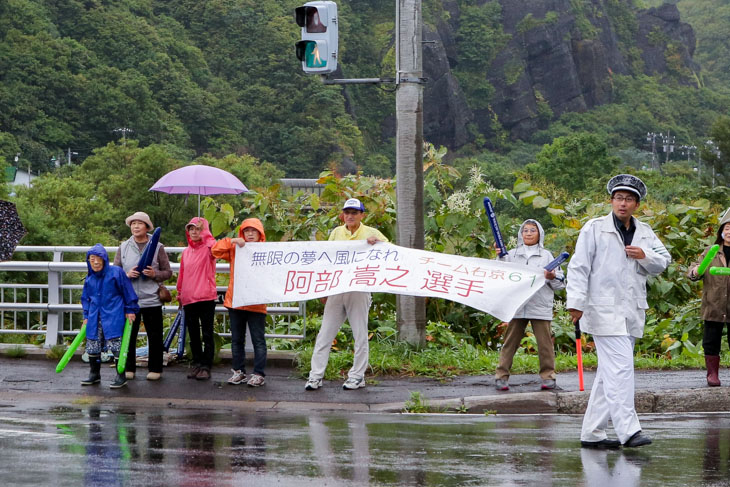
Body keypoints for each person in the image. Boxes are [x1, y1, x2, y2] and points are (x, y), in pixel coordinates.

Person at [567, 174, 670, 449]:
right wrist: (575, 302)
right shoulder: (594, 228)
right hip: (602, 310)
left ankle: (592, 433)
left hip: (631, 311)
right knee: (622, 369)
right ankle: (629, 430)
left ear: (637, 204)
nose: (623, 204)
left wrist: (644, 256)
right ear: (611, 200)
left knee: (608, 375)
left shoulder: (645, 231)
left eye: (629, 199)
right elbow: (579, 266)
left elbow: (664, 261)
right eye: (618, 198)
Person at [305, 198, 388, 391]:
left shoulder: (371, 233)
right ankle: (315, 376)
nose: (350, 216)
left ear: (362, 215)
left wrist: (377, 244)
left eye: (354, 212)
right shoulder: (336, 232)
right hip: (336, 288)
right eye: (347, 212)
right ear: (343, 214)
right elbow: (327, 258)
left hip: (359, 289)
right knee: (324, 334)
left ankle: (357, 376)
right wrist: (323, 288)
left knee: (360, 334)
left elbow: (389, 252)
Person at [495, 219, 565, 391]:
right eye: (525, 230)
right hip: (517, 304)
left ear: (539, 233)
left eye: (532, 230)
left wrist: (552, 277)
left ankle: (548, 377)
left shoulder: (547, 255)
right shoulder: (510, 254)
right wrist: (499, 256)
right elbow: (500, 273)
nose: (528, 233)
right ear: (521, 233)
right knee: (510, 342)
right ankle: (501, 376)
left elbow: (560, 284)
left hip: (539, 305)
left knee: (545, 344)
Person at [113, 212, 172, 381]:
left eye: (139, 223)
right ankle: (128, 367)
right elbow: (114, 272)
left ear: (147, 227)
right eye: (133, 224)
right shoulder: (123, 247)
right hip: (130, 300)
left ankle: (155, 368)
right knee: (128, 335)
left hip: (152, 298)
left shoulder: (158, 246)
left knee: (154, 336)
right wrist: (126, 274)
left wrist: (154, 274)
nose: (136, 227)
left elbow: (168, 272)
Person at [212, 218, 268, 387]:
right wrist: (232, 241)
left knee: (258, 340)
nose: (250, 234)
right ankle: (239, 372)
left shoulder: (268, 251)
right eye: (246, 231)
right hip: (235, 301)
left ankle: (259, 374)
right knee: (236, 339)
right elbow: (215, 250)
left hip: (257, 302)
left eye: (254, 231)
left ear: (260, 234)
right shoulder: (235, 248)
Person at [80, 244, 139, 389]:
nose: (95, 262)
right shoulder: (89, 278)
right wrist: (86, 316)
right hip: (95, 316)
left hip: (113, 314)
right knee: (93, 344)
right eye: (92, 259)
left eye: (98, 258)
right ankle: (94, 374)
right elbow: (85, 299)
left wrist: (130, 309)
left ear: (105, 259)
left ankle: (121, 376)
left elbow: (128, 291)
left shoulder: (116, 272)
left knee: (116, 344)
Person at [688, 207, 730, 387]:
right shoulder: (711, 251)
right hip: (714, 304)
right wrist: (696, 271)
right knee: (711, 340)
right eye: (727, 228)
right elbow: (693, 272)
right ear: (721, 232)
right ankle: (712, 374)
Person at [177, 217, 218, 381]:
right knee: (193, 334)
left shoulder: (209, 250)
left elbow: (215, 247)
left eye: (198, 229)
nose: (194, 232)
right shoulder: (186, 252)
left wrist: (205, 232)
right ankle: (197, 363)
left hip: (206, 297)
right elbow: (182, 274)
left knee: (207, 333)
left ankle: (206, 366)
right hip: (188, 298)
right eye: (191, 228)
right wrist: (179, 294)